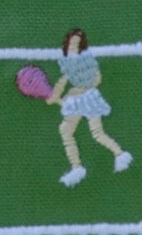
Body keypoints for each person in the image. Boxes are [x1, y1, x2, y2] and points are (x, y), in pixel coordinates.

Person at [46, 28, 134, 189]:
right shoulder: (68, 62)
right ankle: (77, 167)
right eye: (72, 42)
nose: (73, 45)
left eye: (77, 43)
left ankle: (120, 154)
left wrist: (67, 94)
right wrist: (60, 95)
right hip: (77, 100)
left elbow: (95, 79)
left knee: (97, 133)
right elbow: (64, 81)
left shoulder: (84, 61)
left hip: (87, 99)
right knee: (65, 130)